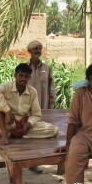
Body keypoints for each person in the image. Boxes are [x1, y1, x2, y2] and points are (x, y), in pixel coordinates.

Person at [0, 63, 59, 146]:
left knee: (53, 130)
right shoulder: (7, 86)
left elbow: (36, 115)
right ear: (15, 75)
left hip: (22, 124)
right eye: (20, 75)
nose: (23, 79)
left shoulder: (32, 92)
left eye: (26, 76)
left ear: (29, 78)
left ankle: (14, 134)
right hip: (6, 123)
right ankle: (4, 134)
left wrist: (28, 124)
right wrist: (7, 111)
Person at [26, 40, 56, 172]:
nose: (38, 51)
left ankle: (40, 160)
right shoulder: (24, 68)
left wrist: (52, 104)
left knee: (43, 134)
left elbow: (52, 89)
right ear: (30, 51)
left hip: (43, 107)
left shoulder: (47, 68)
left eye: (40, 49)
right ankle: (31, 162)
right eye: (35, 49)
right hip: (27, 108)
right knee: (30, 134)